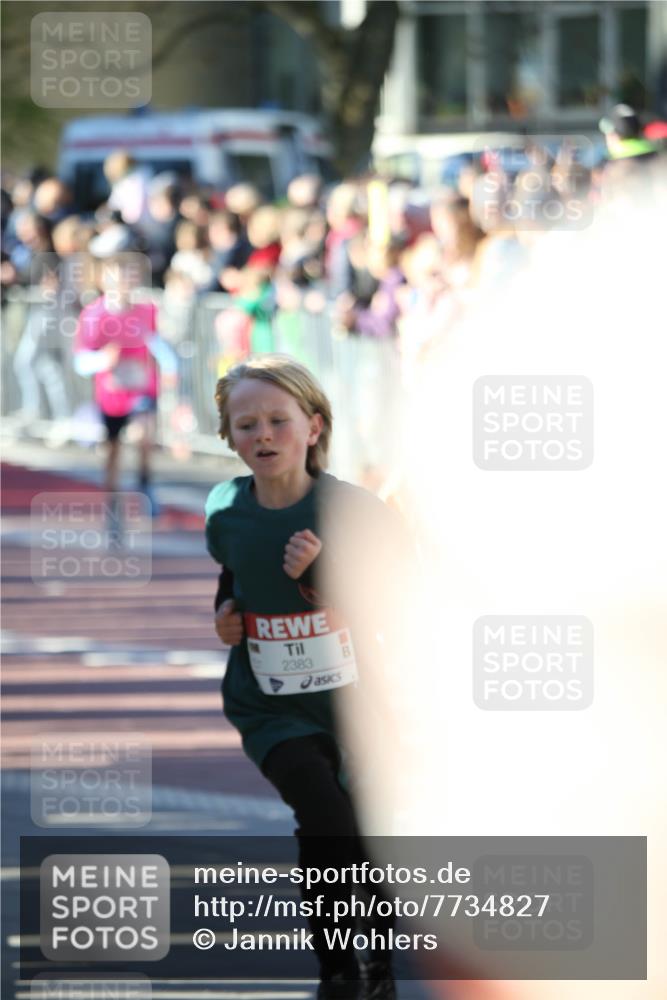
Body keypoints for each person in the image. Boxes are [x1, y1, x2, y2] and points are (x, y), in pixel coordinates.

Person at [205, 355, 410, 999]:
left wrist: (321, 579)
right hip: (270, 704)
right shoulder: (225, 507)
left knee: (360, 832)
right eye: (245, 426)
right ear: (228, 437)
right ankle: (338, 970)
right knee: (323, 817)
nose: (262, 436)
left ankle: (374, 963)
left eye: (277, 421)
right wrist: (224, 613)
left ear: (314, 427)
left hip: (356, 702)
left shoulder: (353, 511)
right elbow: (232, 571)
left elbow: (399, 601)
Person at [73, 255, 178, 521]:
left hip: (142, 388)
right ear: (103, 281)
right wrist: (101, 360)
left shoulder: (146, 310)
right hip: (111, 394)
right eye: (114, 279)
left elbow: (158, 343)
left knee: (145, 433)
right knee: (114, 450)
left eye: (126, 279)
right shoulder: (93, 315)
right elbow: (81, 361)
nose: (122, 285)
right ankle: (112, 503)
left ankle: (145, 484)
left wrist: (170, 368)